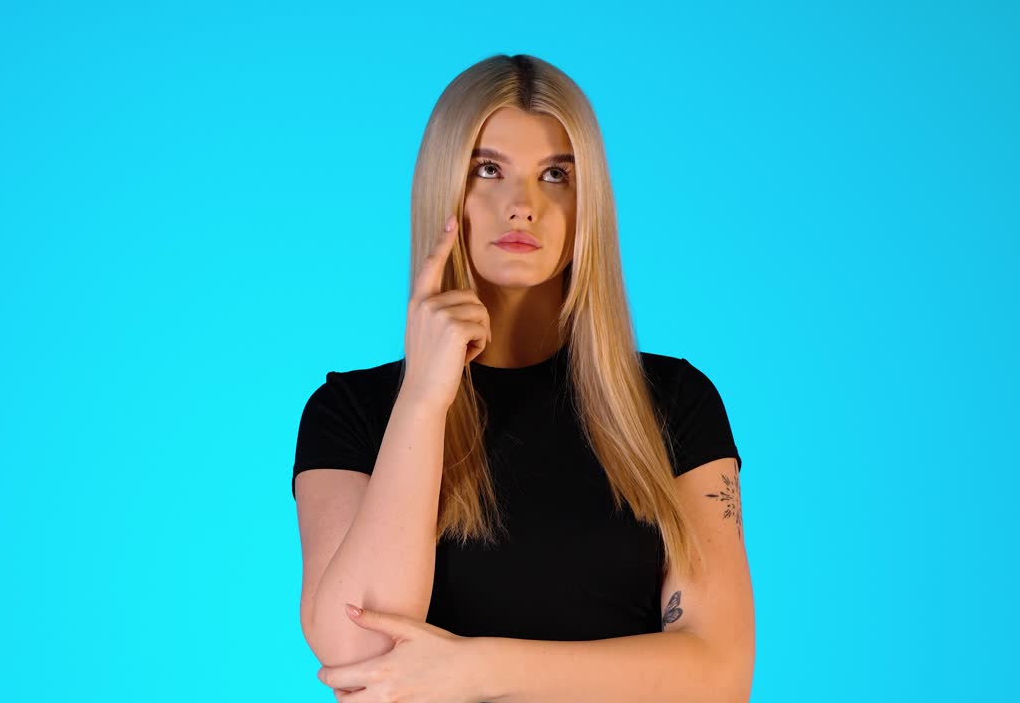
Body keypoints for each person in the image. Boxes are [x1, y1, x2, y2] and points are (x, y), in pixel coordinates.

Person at [291, 54, 754, 702]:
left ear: (586, 198)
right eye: (488, 170)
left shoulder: (674, 404)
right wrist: (424, 400)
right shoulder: (353, 412)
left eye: (556, 174)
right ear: (444, 189)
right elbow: (360, 652)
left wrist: (473, 670)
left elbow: (719, 676)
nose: (523, 206)